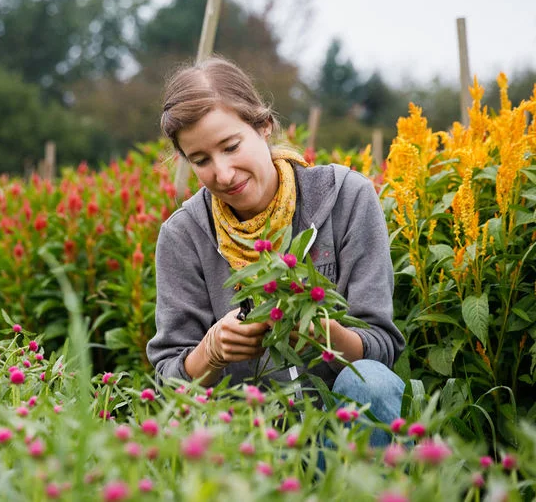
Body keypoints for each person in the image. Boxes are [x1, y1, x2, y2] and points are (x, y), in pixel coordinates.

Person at [145, 56, 405, 446]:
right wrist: (212, 350)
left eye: (231, 146)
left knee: (372, 384)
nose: (224, 173)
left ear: (264, 126)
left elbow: (381, 349)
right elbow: (171, 381)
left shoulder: (346, 197)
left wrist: (324, 333)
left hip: (343, 432)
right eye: (201, 160)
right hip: (250, 441)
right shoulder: (184, 235)